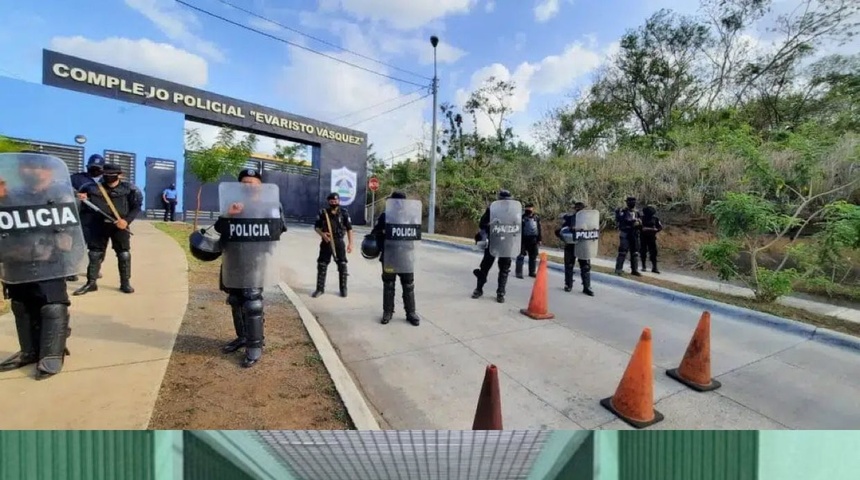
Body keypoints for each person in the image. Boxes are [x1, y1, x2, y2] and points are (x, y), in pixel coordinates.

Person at [0, 152, 86, 379]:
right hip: (16, 260)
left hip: (51, 262)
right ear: (19, 170)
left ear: (49, 170)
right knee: (21, 305)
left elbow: (75, 234)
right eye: (27, 166)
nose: (34, 171)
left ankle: (52, 354)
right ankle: (29, 351)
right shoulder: (8, 195)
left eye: (39, 167)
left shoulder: (62, 195)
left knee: (53, 306)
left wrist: (71, 259)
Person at [214, 168, 287, 368]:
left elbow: (280, 228)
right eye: (245, 182)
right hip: (234, 257)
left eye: (253, 183)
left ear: (260, 186)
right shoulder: (232, 204)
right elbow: (219, 228)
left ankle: (255, 345)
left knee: (252, 301)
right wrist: (229, 214)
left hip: (256, 258)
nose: (249, 186)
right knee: (235, 299)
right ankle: (242, 337)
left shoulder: (271, 203)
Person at [73, 163, 144, 295]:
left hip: (119, 225)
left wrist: (126, 221)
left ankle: (125, 283)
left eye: (111, 175)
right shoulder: (91, 188)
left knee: (123, 254)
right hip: (98, 225)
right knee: (94, 254)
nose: (108, 177)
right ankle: (91, 283)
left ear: (120, 175)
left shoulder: (130, 189)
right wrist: (81, 198)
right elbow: (81, 205)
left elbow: (136, 207)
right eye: (105, 175)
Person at [368, 191, 421, 326]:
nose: (398, 204)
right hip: (390, 255)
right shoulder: (385, 216)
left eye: (400, 201)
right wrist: (383, 232)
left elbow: (416, 232)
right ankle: (388, 312)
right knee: (389, 284)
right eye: (395, 201)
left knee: (408, 285)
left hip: (406, 256)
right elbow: (375, 233)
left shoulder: (410, 216)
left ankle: (411, 313)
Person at [472, 189, 519, 303]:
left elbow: (518, 228)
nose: (505, 203)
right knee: (485, 266)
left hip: (506, 243)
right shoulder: (492, 210)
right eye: (503, 201)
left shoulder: (514, 212)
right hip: (493, 241)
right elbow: (482, 224)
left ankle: (501, 292)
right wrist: (491, 223)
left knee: (504, 269)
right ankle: (479, 289)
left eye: (507, 201)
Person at [67, 154, 105, 281]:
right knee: (78, 243)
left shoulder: (106, 181)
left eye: (98, 168)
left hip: (100, 217)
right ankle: (71, 270)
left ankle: (95, 269)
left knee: (99, 246)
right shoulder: (76, 178)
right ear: (87, 167)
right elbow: (63, 188)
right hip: (83, 215)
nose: (95, 171)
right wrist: (76, 194)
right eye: (92, 168)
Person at [311, 192, 354, 298]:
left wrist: (350, 244)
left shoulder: (344, 213)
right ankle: (320, 289)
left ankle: (343, 289)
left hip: (339, 242)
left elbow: (349, 229)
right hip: (326, 242)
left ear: (339, 201)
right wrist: (323, 234)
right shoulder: (323, 212)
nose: (333, 202)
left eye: (335, 201)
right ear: (328, 201)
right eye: (331, 201)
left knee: (342, 264)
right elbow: (316, 227)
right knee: (322, 264)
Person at [555, 201, 595, 296]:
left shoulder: (589, 220)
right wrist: (567, 232)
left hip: (583, 245)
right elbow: (559, 231)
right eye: (578, 208)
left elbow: (594, 231)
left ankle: (587, 287)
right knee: (569, 265)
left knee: (585, 266)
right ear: (575, 209)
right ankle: (568, 285)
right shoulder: (569, 219)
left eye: (581, 209)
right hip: (571, 245)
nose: (580, 210)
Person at [614, 196, 643, 276]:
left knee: (635, 253)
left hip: (634, 234)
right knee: (622, 252)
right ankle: (618, 269)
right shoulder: (623, 211)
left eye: (633, 201)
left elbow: (641, 223)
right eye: (630, 202)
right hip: (625, 233)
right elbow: (622, 220)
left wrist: (639, 223)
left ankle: (634, 270)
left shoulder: (637, 213)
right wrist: (633, 222)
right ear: (627, 203)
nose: (632, 203)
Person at [515, 203, 542, 279]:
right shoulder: (521, 218)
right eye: (527, 208)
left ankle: (532, 272)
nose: (528, 209)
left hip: (533, 240)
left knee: (533, 257)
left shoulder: (536, 218)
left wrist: (539, 239)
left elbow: (539, 229)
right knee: (520, 256)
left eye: (530, 208)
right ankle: (519, 272)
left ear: (533, 209)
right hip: (523, 240)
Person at [639, 205, 664, 274]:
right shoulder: (641, 218)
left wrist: (655, 230)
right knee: (643, 252)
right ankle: (644, 266)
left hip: (652, 237)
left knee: (653, 252)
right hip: (643, 237)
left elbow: (660, 227)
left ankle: (654, 267)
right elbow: (638, 227)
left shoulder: (655, 219)